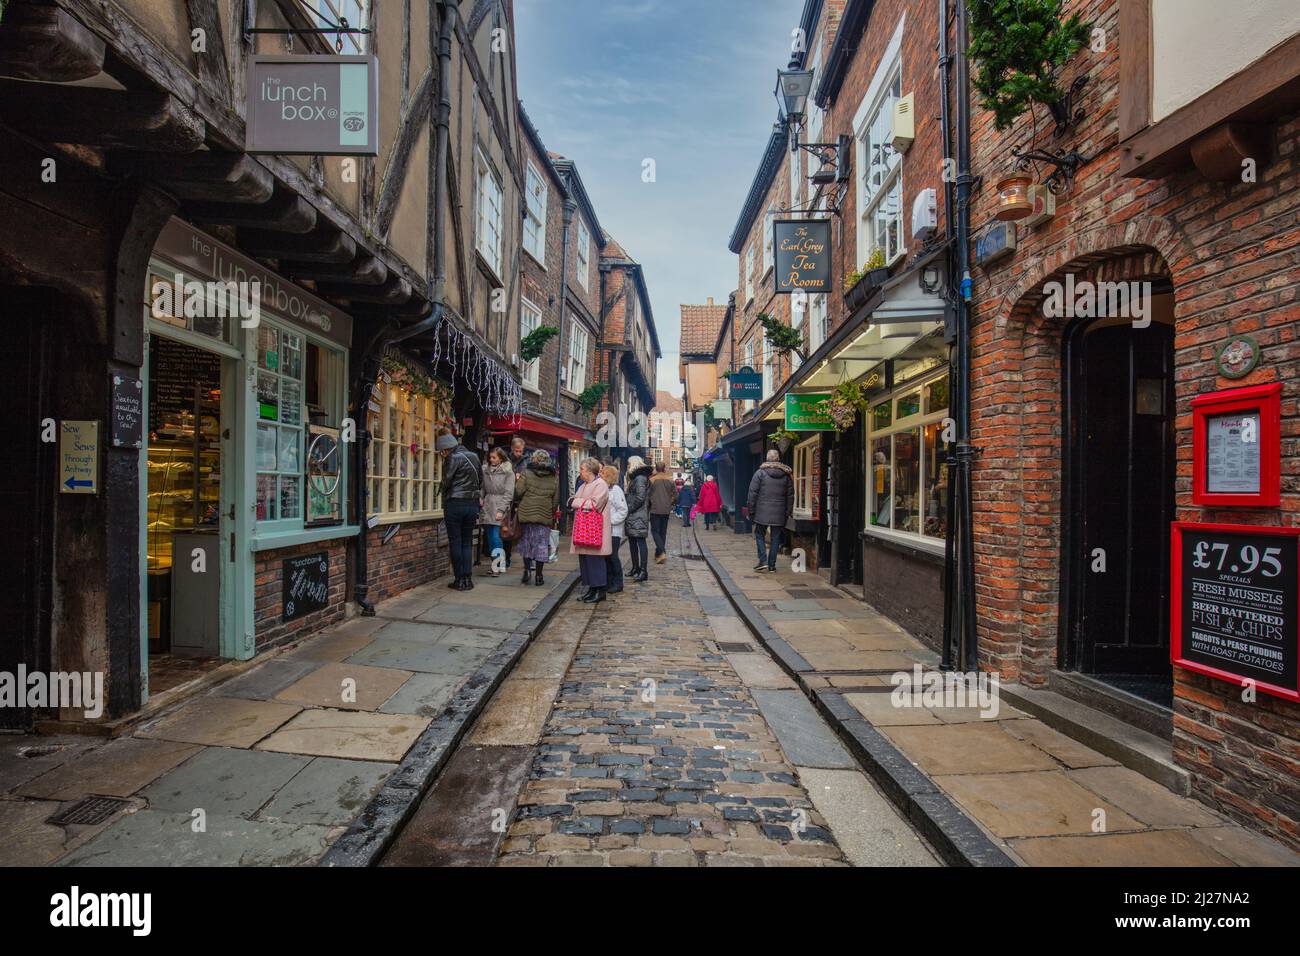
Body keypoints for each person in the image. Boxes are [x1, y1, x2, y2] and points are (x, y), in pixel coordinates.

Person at [437, 433, 483, 590]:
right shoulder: (474, 456)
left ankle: (459, 579)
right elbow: (481, 480)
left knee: (455, 541)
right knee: (467, 541)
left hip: (455, 503)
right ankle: (468, 579)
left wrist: (442, 490)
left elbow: (447, 480)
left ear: (445, 449)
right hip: (471, 504)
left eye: (441, 452)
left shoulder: (452, 457)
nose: (441, 455)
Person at [512, 449, 560, 586]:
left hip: (526, 513)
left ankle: (527, 571)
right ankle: (539, 575)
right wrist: (550, 513)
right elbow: (555, 499)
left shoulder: (526, 473)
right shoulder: (554, 477)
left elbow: (518, 492)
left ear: (534, 459)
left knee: (526, 543)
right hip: (544, 515)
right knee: (541, 545)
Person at [569, 457, 611, 604]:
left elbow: (594, 504)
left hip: (594, 529)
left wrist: (574, 502)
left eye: (582, 469)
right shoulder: (584, 485)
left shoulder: (600, 485)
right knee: (586, 560)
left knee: (595, 560)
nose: (580, 472)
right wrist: (576, 501)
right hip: (584, 529)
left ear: (590, 471)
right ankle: (592, 589)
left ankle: (600, 590)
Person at [747, 448, 793, 572]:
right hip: (779, 512)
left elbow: (752, 493)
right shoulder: (786, 475)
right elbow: (790, 495)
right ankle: (772, 565)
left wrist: (751, 510)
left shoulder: (760, 473)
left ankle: (763, 561)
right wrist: (788, 512)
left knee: (759, 534)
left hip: (762, 511)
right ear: (778, 459)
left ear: (767, 459)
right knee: (776, 538)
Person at [479, 446, 515, 576]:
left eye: (494, 457)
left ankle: (498, 566)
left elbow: (509, 493)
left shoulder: (508, 472)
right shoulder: (486, 470)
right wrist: (480, 497)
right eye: (490, 457)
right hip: (488, 505)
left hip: (500, 505)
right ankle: (495, 564)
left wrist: (501, 509)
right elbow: (483, 487)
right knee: (489, 538)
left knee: (496, 537)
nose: (491, 459)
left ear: (501, 458)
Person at [623, 455, 652, 582]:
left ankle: (643, 571)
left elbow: (640, 497)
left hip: (638, 515)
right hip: (634, 515)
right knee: (633, 543)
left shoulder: (640, 478)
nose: (628, 466)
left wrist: (628, 508)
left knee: (640, 543)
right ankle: (635, 567)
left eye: (629, 464)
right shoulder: (636, 478)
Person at [601, 464, 628, 593]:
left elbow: (623, 510)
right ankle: (608, 581)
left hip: (613, 531)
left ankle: (618, 582)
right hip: (604, 530)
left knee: (613, 556)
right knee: (606, 557)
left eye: (602, 473)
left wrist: (610, 521)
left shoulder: (616, 490)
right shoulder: (604, 489)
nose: (600, 475)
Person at [648, 461, 676, 564]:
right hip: (666, 509)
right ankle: (658, 554)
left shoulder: (651, 480)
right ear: (664, 469)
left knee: (655, 531)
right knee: (662, 532)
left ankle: (662, 551)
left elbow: (648, 495)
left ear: (656, 468)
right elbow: (675, 495)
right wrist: (669, 502)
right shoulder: (670, 480)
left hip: (655, 509)